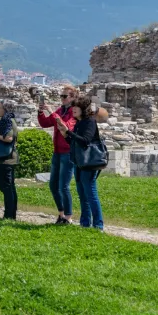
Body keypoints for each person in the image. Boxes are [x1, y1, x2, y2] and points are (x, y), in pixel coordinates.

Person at [60, 96, 104, 231]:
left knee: (90, 192)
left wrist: (69, 132)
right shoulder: (79, 123)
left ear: (83, 109)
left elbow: (85, 141)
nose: (73, 109)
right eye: (73, 107)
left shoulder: (89, 121)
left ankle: (98, 225)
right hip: (79, 162)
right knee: (82, 193)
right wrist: (65, 135)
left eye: (76, 107)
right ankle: (85, 223)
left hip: (89, 162)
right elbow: (75, 142)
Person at [39, 86, 78, 225]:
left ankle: (68, 217)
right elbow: (45, 123)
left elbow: (66, 126)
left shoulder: (74, 112)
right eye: (61, 96)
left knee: (64, 186)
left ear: (73, 98)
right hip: (57, 151)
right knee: (53, 185)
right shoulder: (61, 110)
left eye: (65, 96)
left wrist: (51, 111)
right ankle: (61, 214)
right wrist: (41, 111)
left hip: (67, 152)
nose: (62, 98)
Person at [0, 99, 19, 219]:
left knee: (7, 187)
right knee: (8, 187)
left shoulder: (7, 121)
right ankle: (10, 214)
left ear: (5, 109)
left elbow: (9, 138)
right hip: (4, 158)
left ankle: (9, 215)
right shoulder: (6, 120)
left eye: (0, 108)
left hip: (6, 158)